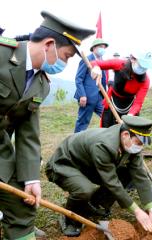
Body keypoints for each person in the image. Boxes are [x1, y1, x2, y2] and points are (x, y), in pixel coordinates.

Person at [0, 10, 94, 240]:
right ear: (49, 44)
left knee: (23, 204)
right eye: (67, 56)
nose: (66, 62)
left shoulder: (41, 83)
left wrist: (31, 178)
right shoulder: (2, 55)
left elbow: (28, 133)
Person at [45, 115, 152, 237]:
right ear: (125, 135)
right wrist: (137, 211)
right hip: (65, 164)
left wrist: (151, 209)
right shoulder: (103, 145)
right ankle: (69, 219)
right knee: (84, 190)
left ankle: (94, 204)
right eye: (138, 143)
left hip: (88, 164)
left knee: (127, 174)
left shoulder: (130, 145)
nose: (140, 147)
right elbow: (112, 182)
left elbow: (140, 175)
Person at [90, 50, 152, 127]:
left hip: (130, 106)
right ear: (133, 59)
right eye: (141, 65)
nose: (142, 69)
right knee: (107, 129)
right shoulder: (119, 64)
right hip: (112, 102)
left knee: (127, 132)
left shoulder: (145, 80)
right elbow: (95, 63)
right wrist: (96, 68)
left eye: (145, 67)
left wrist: (129, 117)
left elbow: (138, 103)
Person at [73, 38, 108, 133]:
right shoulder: (87, 60)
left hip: (99, 98)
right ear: (94, 48)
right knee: (83, 122)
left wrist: (105, 96)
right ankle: (75, 142)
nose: (103, 49)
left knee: (107, 117)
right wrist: (82, 95)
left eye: (104, 47)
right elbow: (78, 79)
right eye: (101, 47)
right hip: (87, 97)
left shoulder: (103, 62)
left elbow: (104, 80)